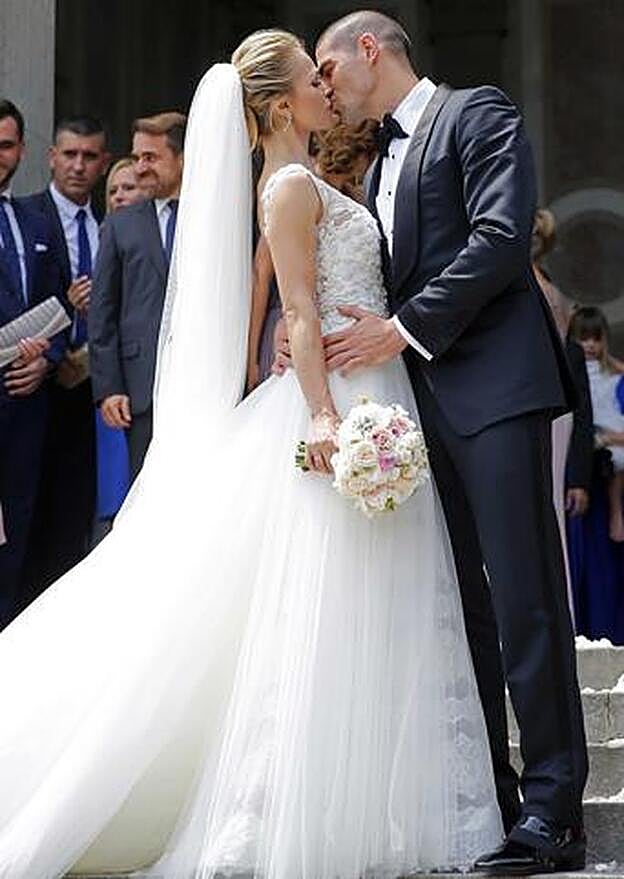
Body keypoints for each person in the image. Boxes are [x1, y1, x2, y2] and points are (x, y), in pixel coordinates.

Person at [0, 32, 504, 879]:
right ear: (280, 105)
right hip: (340, 401)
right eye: (314, 77)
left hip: (372, 383)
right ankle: (313, 807)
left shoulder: (308, 179)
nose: (326, 85)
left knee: (381, 596)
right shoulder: (291, 187)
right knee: (332, 599)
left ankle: (382, 795)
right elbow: (299, 312)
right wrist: (318, 415)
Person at [315, 10, 586, 873]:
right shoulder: (377, 157)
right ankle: (496, 801)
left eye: (328, 66)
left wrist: (403, 328)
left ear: (370, 49)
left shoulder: (478, 112)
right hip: (421, 408)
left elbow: (502, 239)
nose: (324, 86)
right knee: (460, 610)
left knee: (524, 602)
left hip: (498, 393)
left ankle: (554, 811)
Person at [21, 115, 111, 595]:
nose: (78, 166)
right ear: (51, 157)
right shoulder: (22, 215)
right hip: (35, 385)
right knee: (30, 515)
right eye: (69, 154)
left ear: (104, 163)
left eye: (89, 156)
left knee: (77, 515)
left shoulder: (110, 224)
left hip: (93, 390)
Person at [89, 112, 186, 482]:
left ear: (181, 158)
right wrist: (109, 387)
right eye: (137, 156)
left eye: (151, 157)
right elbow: (103, 311)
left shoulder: (211, 216)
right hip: (138, 384)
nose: (139, 167)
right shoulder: (120, 224)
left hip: (204, 380)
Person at [0, 99, 66, 626]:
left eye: (5, 145)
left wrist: (48, 360)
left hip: (28, 407)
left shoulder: (36, 218)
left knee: (21, 533)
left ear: (22, 150)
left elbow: (59, 303)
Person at [531, 208, 593, 623]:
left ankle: (553, 613)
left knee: (542, 509)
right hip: (549, 408)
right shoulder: (549, 288)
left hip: (546, 408)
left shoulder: (541, 290)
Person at [93, 159, 144, 530]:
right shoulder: (111, 233)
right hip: (114, 383)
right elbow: (104, 313)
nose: (120, 196)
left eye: (129, 187)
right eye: (113, 190)